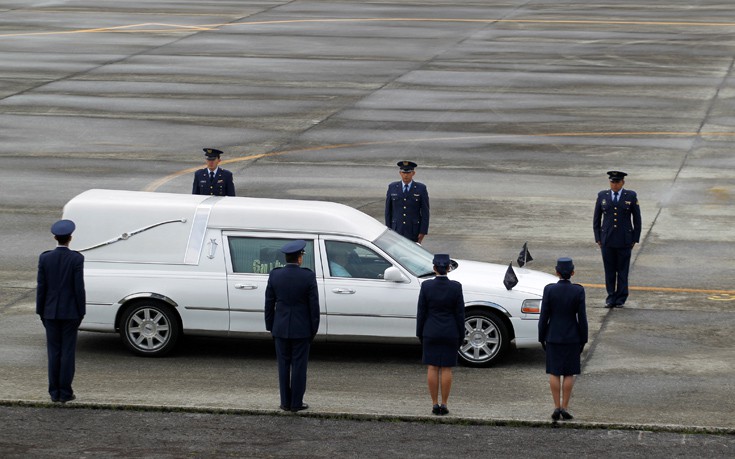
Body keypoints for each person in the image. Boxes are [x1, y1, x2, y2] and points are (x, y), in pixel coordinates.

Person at [264, 240, 320, 412]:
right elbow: (314, 307)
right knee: (299, 366)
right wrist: (313, 329)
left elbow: (269, 303)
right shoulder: (308, 276)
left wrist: (270, 326)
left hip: (280, 328)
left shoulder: (275, 275)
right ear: (300, 258)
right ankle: (296, 403)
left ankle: (285, 402)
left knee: (283, 366)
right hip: (301, 329)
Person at [36, 219, 86, 403]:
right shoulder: (76, 259)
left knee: (53, 352)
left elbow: (41, 287)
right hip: (71, 312)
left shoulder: (45, 258)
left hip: (50, 312)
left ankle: (53, 392)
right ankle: (65, 391)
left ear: (55, 237)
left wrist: (40, 311)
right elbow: (78, 289)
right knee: (67, 353)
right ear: (70, 238)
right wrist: (81, 311)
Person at [538, 257, 588, 421]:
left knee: (554, 372)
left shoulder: (549, 290)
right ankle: (565, 407)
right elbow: (582, 317)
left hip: (553, 334)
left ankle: (556, 406)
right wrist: (584, 338)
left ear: (556, 272)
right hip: (572, 335)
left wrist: (541, 336)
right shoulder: (578, 290)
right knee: (568, 373)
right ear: (573, 272)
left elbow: (544, 315)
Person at [416, 254, 465, 415]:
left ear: (434, 268)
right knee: (446, 369)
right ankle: (444, 404)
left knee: (432, 367)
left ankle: (434, 404)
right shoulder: (456, 287)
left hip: (431, 330)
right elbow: (460, 314)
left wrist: (420, 333)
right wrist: (461, 334)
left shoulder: (426, 286)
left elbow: (421, 312)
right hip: (450, 331)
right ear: (449, 269)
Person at [592, 170, 642, 307]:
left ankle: (621, 298)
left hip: (624, 240)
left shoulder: (630, 196)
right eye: (612, 182)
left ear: (622, 182)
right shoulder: (602, 196)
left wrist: (634, 238)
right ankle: (610, 297)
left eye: (617, 182)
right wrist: (598, 237)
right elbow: (597, 219)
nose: (614, 185)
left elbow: (637, 219)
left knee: (622, 271)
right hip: (607, 240)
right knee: (609, 271)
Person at [385, 160, 430, 243]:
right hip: (396, 229)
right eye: (403, 173)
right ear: (400, 173)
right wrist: (388, 229)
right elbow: (388, 211)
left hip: (413, 230)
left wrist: (423, 231)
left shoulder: (421, 188)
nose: (406, 175)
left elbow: (425, 212)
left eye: (408, 173)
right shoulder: (392, 187)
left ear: (413, 173)